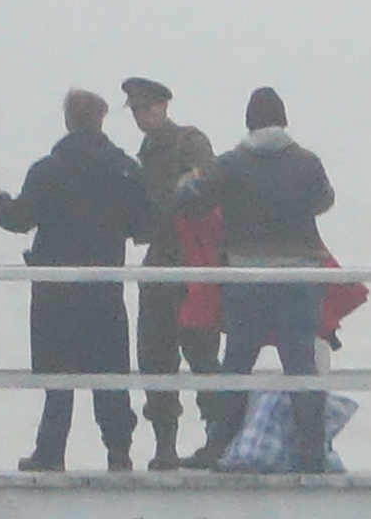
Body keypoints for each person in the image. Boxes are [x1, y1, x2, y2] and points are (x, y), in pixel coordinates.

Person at [0, 89, 150, 472]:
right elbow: (142, 225)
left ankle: (50, 451)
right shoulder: (124, 169)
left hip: (57, 292)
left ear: (68, 121)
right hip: (105, 289)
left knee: (58, 374)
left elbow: (19, 218)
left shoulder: (48, 169)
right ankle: (119, 452)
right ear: (101, 120)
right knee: (110, 374)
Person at [175, 86, 335, 473]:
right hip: (298, 275)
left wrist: (186, 181)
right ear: (283, 120)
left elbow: (193, 200)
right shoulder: (306, 161)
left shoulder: (231, 164)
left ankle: (218, 446)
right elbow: (324, 200)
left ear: (248, 122)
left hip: (245, 275)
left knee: (236, 363)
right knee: (300, 364)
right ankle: (314, 452)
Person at [120, 76, 225, 470]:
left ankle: (217, 439)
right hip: (159, 263)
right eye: (135, 110)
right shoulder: (145, 151)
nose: (141, 116)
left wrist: (188, 185)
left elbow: (211, 183)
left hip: (191, 263)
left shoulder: (189, 142)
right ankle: (165, 445)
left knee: (201, 355)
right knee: (155, 356)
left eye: (145, 108)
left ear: (163, 106)